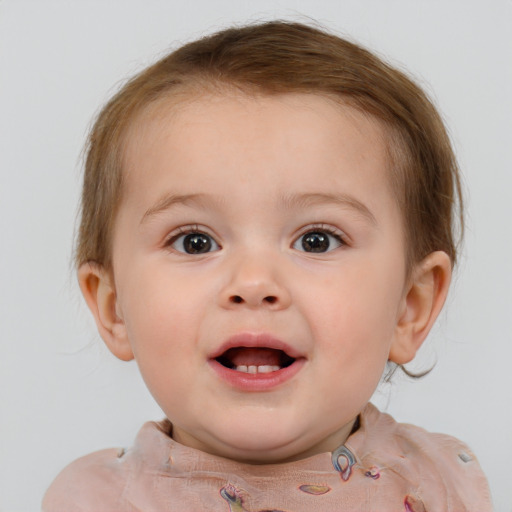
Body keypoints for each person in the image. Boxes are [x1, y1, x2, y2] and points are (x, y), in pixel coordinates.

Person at [42, 20, 492, 511]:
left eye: (317, 241)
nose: (254, 284)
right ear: (114, 308)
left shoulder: (442, 484)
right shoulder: (94, 502)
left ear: (411, 306)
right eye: (195, 242)